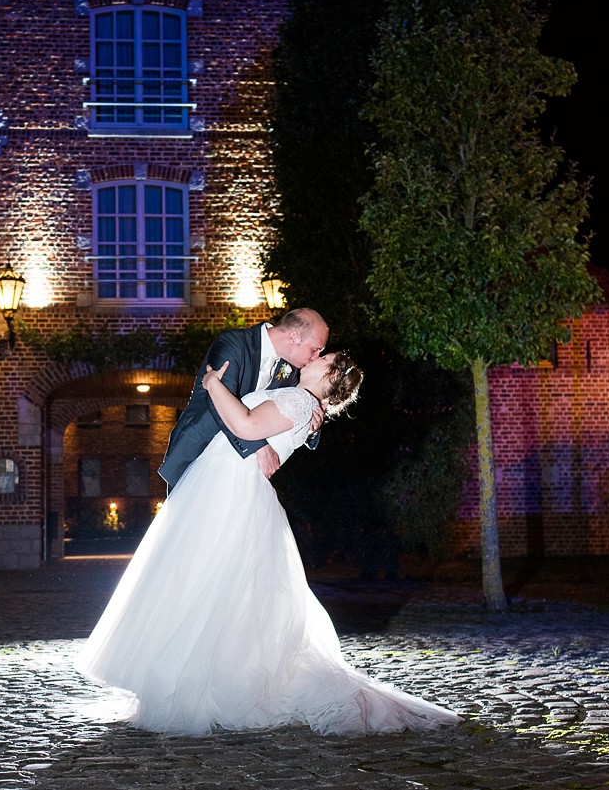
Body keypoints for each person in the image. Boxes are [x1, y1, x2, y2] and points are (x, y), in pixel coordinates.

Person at [75, 351, 462, 737]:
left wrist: (213, 384)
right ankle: (196, 676)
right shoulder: (300, 401)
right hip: (225, 485)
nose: (313, 356)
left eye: (321, 356)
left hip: (228, 490)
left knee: (204, 582)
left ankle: (202, 683)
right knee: (211, 586)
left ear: (329, 373)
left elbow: (245, 426)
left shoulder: (298, 401)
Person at [158, 307, 329, 494]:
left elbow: (293, 410)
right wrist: (258, 446)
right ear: (294, 336)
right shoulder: (233, 343)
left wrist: (312, 426)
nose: (315, 358)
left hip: (239, 471)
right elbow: (216, 401)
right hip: (198, 453)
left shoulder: (292, 370)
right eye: (314, 350)